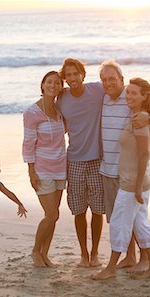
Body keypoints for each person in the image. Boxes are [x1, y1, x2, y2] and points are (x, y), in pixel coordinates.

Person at [99, 60, 150, 272]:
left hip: (132, 180)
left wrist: (137, 185)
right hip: (123, 173)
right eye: (104, 79)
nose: (129, 96)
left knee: (120, 222)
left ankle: (111, 268)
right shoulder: (128, 109)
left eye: (133, 93)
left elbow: (145, 151)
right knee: (138, 222)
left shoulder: (140, 118)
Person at [56, 58, 105, 267]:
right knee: (78, 210)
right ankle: (83, 254)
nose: (73, 78)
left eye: (76, 74)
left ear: (83, 74)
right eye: (68, 75)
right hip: (74, 160)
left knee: (97, 210)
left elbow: (122, 92)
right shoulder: (62, 99)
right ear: (64, 78)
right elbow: (59, 125)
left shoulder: (98, 90)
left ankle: (94, 253)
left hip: (97, 160)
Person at [22, 71, 66, 268]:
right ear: (42, 85)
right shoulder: (31, 113)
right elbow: (28, 144)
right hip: (42, 169)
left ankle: (44, 254)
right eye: (49, 82)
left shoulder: (59, 110)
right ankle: (34, 251)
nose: (53, 85)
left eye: (57, 83)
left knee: (54, 215)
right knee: (51, 215)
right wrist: (31, 171)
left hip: (61, 167)